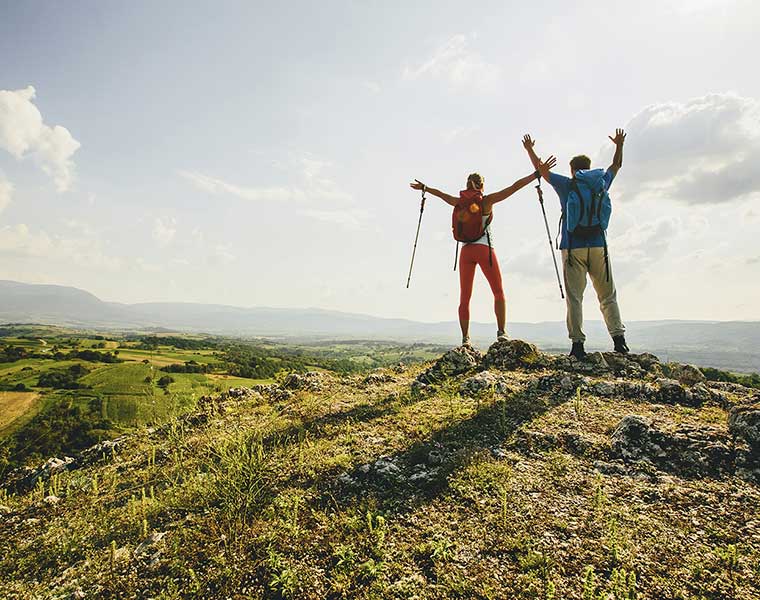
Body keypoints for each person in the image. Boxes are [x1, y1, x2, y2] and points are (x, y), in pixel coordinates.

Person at [410, 159, 556, 347]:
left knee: (465, 297)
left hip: (466, 252)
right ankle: (502, 333)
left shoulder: (459, 202)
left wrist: (426, 188)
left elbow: (442, 195)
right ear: (482, 186)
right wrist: (536, 174)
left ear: (466, 185)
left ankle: (465, 339)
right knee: (498, 291)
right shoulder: (487, 201)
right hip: (484, 249)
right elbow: (513, 188)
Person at [522, 130, 629, 358]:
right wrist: (619, 144)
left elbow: (543, 172)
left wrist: (530, 149)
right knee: (607, 295)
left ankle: (577, 345)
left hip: (572, 247)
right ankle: (619, 340)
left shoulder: (568, 185)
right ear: (588, 168)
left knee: (575, 297)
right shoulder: (601, 183)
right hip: (599, 245)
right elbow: (616, 165)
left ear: (573, 170)